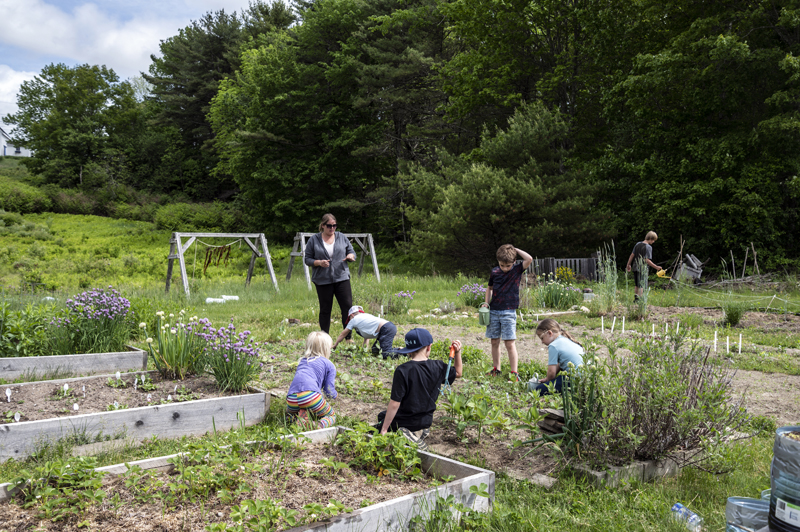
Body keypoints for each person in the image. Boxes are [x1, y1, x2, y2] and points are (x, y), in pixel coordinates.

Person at [376, 328, 462, 449]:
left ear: (409, 351)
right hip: (426, 420)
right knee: (383, 416)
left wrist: (384, 430)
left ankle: (406, 435)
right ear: (429, 347)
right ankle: (419, 432)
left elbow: (395, 403)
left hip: (408, 420)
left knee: (381, 421)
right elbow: (458, 372)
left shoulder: (403, 370)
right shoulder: (438, 366)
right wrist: (457, 353)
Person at [482, 244, 533, 381]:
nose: (504, 268)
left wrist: (514, 249)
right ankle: (496, 369)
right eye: (502, 265)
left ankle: (514, 373)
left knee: (509, 343)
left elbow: (529, 258)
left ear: (514, 262)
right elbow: (489, 288)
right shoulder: (495, 272)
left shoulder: (517, 270)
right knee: (494, 341)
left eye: (507, 265)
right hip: (494, 311)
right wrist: (486, 303)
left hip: (509, 312)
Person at [304, 213, 357, 335]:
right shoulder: (314, 240)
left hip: (342, 277)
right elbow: (307, 260)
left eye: (335, 225)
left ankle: (348, 337)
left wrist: (350, 256)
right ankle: (324, 337)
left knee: (348, 308)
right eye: (329, 226)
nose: (332, 228)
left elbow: (351, 251)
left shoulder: (341, 237)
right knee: (325, 310)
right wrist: (318, 263)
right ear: (322, 225)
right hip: (323, 280)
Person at [286, 331, 338, 429]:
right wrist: (335, 395)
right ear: (326, 349)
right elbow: (329, 391)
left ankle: (297, 420)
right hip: (311, 397)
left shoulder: (302, 361)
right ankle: (317, 425)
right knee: (331, 416)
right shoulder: (329, 364)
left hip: (292, 398)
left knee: (289, 416)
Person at [530, 319, 584, 396]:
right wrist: (547, 379)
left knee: (539, 390)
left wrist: (548, 382)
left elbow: (551, 373)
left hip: (574, 379)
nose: (542, 342)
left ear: (549, 333)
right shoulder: (566, 339)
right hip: (586, 377)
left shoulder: (553, 346)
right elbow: (559, 364)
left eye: (542, 338)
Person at [332, 305, 398, 359]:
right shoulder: (366, 316)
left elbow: (343, 334)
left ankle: (404, 353)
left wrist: (335, 345)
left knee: (385, 354)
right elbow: (367, 336)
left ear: (351, 315)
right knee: (375, 350)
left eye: (349, 319)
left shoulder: (354, 319)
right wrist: (364, 350)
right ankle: (397, 350)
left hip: (386, 329)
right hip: (388, 327)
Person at [625, 231, 663, 302]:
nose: (654, 241)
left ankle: (636, 299)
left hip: (635, 267)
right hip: (642, 268)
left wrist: (628, 264)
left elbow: (632, 255)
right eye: (653, 240)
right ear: (651, 238)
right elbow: (646, 260)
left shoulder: (637, 244)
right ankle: (640, 300)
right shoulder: (648, 247)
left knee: (637, 284)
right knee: (642, 284)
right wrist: (656, 267)